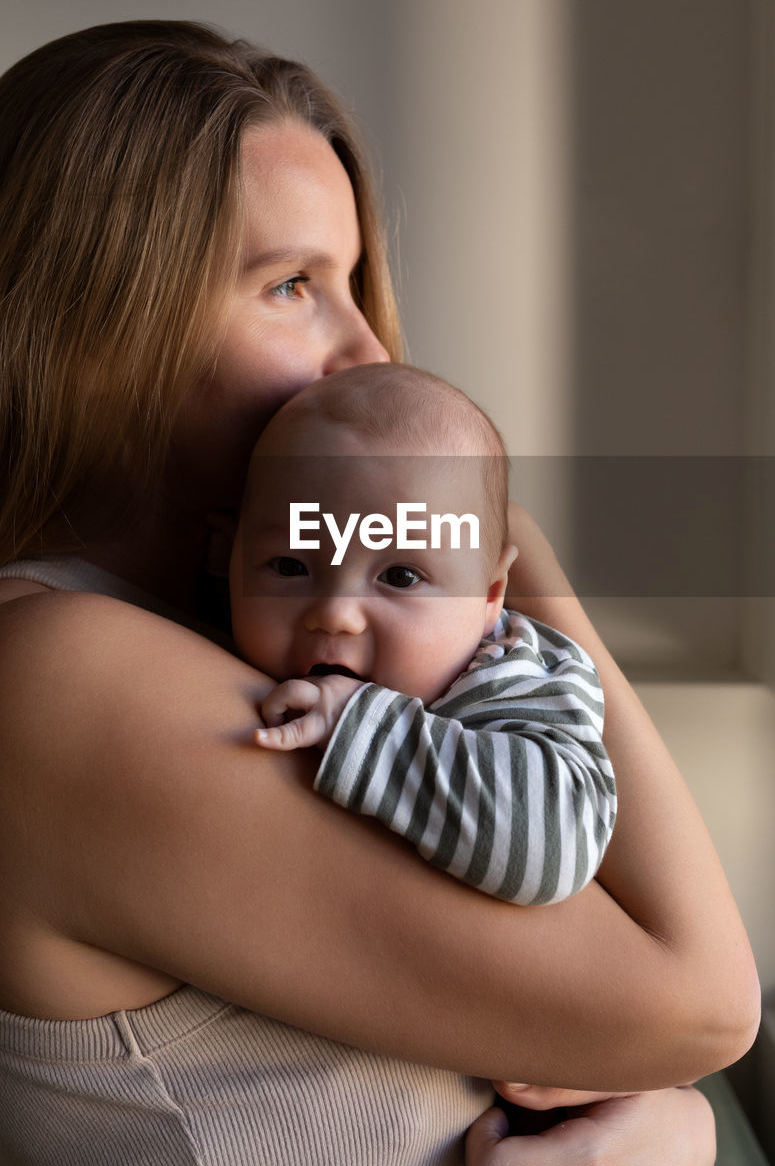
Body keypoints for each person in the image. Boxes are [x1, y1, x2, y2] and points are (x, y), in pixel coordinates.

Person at [0, 20, 757, 1166]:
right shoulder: (56, 671)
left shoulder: (237, 635)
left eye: (354, 282)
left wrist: (665, 1120)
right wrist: (500, 533)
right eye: (292, 285)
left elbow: (651, 1026)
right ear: (91, 320)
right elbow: (702, 999)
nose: (368, 352)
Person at [230, 361, 616, 907]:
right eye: (290, 565)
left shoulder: (512, 678)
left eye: (400, 576)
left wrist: (359, 724)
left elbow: (556, 849)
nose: (336, 614)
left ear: (489, 596)